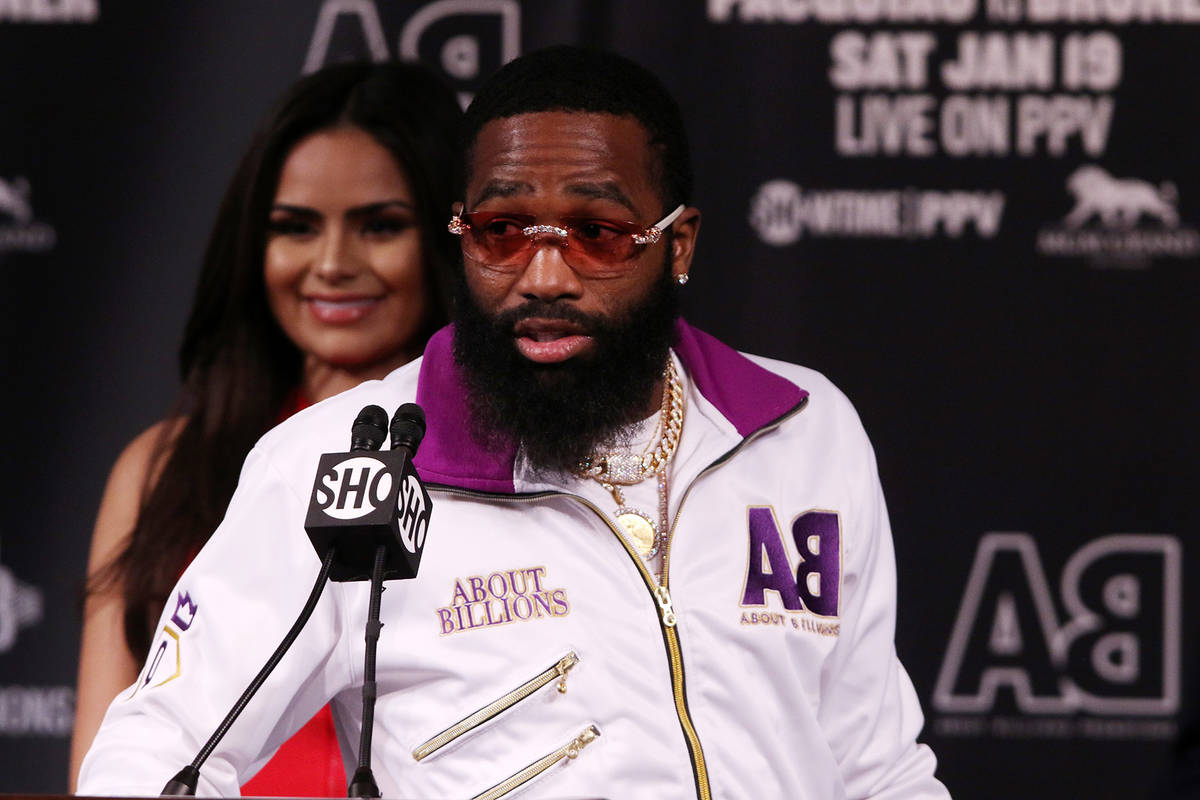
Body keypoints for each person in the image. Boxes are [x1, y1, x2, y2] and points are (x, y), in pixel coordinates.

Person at [77, 46, 951, 799]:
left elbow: (874, 768)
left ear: (677, 245)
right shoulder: (352, 460)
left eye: (597, 233)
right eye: (500, 231)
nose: (542, 276)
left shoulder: (803, 432)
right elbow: (159, 752)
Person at [69, 61, 461, 795]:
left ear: (449, 239)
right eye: (296, 228)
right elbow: (108, 754)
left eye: (380, 226)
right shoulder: (161, 468)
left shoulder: (499, 464)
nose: (333, 263)